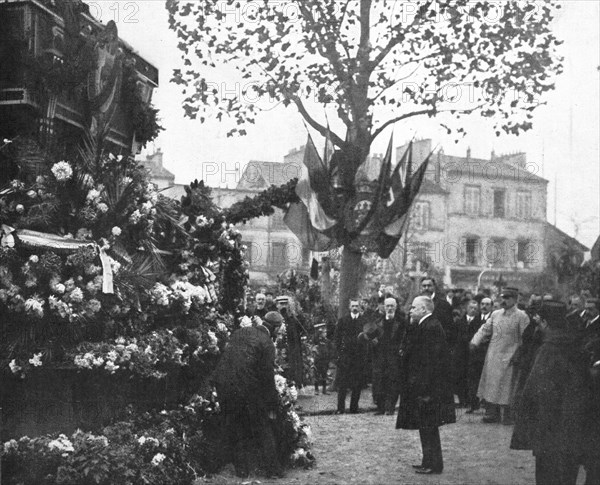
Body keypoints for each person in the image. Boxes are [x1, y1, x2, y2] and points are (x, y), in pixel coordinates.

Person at [511, 301, 589, 485]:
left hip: (549, 428)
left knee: (547, 475)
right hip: (573, 427)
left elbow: (535, 390)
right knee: (568, 475)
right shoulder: (576, 344)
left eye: (538, 323)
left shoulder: (549, 349)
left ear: (545, 323)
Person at [211, 311, 284, 478]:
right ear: (275, 328)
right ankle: (272, 469)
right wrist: (272, 404)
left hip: (222, 383)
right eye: (280, 328)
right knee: (262, 424)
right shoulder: (267, 344)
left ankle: (240, 469)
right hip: (245, 387)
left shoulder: (240, 331)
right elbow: (267, 377)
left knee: (233, 423)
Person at [396, 296, 455, 475]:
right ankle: (427, 460)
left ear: (424, 309)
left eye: (414, 308)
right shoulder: (425, 326)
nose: (411, 311)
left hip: (429, 387)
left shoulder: (431, 327)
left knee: (429, 425)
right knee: (425, 425)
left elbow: (431, 362)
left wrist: (422, 386)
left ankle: (434, 464)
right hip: (425, 385)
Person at [470, 287, 530, 424]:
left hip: (510, 355)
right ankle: (491, 413)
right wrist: (475, 341)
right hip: (493, 354)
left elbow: (525, 338)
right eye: (502, 297)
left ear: (515, 300)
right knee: (491, 384)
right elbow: (485, 329)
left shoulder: (522, 316)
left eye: (507, 298)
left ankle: (508, 415)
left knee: (507, 387)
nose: (504, 300)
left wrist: (518, 354)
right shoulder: (495, 314)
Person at [370, 297, 406, 415]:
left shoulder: (402, 321)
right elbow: (371, 338)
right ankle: (380, 408)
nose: (390, 308)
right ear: (383, 307)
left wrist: (401, 349)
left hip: (395, 357)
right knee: (380, 382)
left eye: (392, 306)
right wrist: (373, 342)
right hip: (380, 356)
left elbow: (405, 338)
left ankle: (390, 407)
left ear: (396, 307)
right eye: (387, 306)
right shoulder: (377, 322)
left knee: (393, 382)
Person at [334, 299, 369, 414]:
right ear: (349, 307)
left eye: (357, 306)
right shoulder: (343, 321)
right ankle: (340, 408)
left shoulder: (364, 321)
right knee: (342, 384)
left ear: (360, 307)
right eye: (353, 306)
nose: (355, 308)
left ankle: (354, 408)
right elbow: (337, 339)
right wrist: (339, 353)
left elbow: (370, 338)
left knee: (357, 384)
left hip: (359, 357)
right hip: (346, 357)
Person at [276, 295, 304, 387]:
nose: (283, 306)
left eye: (285, 304)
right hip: (279, 347)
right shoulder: (275, 317)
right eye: (281, 304)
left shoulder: (293, 319)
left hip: (292, 348)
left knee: (291, 368)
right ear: (277, 305)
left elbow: (299, 332)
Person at [313, 323, 332, 395]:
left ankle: (324, 390)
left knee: (324, 375)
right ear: (320, 333)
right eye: (324, 332)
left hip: (325, 360)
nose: (325, 333)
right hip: (318, 360)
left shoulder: (327, 341)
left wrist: (329, 358)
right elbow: (314, 340)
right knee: (316, 375)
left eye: (326, 332)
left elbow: (330, 350)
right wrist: (317, 331)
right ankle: (316, 390)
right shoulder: (317, 340)